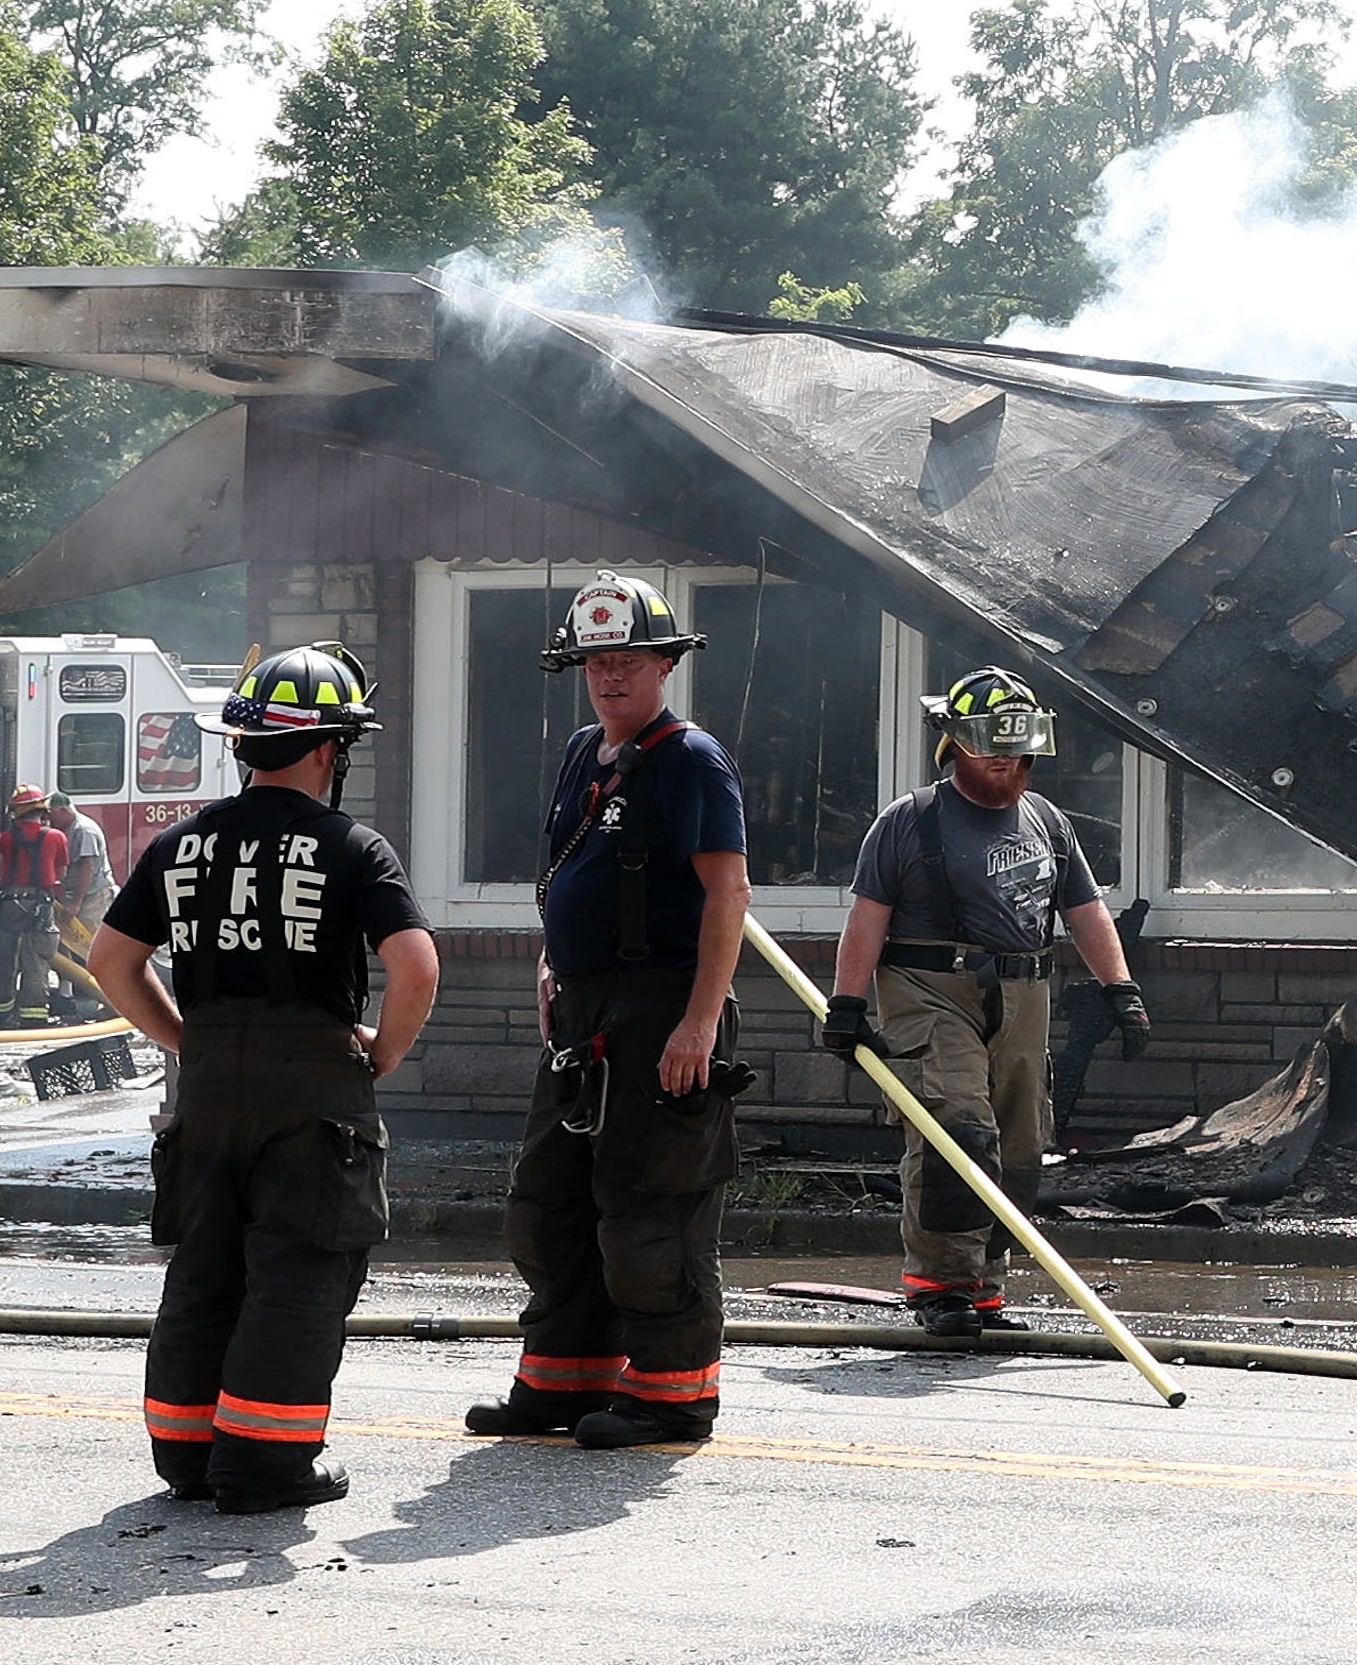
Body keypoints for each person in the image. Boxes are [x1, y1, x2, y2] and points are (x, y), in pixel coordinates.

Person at [88, 643, 437, 1513]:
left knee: (204, 1265)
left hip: (207, 1092)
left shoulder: (181, 844)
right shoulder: (354, 847)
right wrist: (384, 1053)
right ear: (328, 748)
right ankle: (265, 1464)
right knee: (300, 1269)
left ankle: (187, 1452)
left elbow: (111, 960)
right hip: (314, 1098)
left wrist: (185, 1040)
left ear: (242, 744)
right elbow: (416, 967)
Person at [466, 573, 752, 1449]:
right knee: (548, 1200)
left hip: (662, 1006)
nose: (610, 675)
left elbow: (728, 893)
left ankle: (673, 1396)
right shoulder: (581, 752)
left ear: (666, 665)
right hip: (582, 1010)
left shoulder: (692, 759)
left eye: (628, 659)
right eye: (595, 662)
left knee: (650, 1202)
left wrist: (699, 1023)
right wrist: (552, 961)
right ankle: (563, 1378)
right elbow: (568, 874)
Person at [818, 666, 1151, 1336]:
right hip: (931, 991)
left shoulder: (1048, 822)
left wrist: (1121, 989)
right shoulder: (909, 821)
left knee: (1020, 1145)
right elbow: (868, 916)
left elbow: (1085, 911)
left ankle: (984, 1288)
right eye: (990, 745)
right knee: (957, 1131)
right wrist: (846, 1004)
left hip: (1025, 995)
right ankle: (939, 1288)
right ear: (955, 743)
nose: (1005, 759)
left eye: (1016, 746)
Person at [0, 785, 69, 1026]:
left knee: (4, 958)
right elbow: (61, 874)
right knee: (35, 960)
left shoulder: (5, 839)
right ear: (42, 809)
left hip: (9, 904)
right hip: (40, 904)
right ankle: (34, 1017)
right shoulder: (56, 837)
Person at [53, 795, 111, 1017]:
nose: (48, 819)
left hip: (92, 896)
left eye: (51, 814)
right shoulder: (67, 829)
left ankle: (107, 1000)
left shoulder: (84, 830)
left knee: (90, 946)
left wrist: (76, 902)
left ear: (63, 810)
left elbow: (88, 867)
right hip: (74, 895)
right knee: (65, 943)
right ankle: (69, 994)